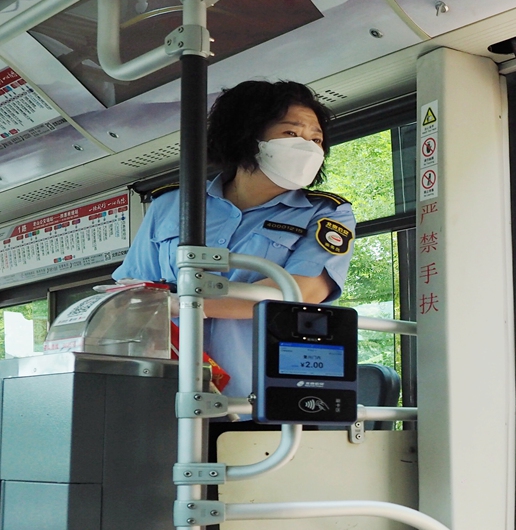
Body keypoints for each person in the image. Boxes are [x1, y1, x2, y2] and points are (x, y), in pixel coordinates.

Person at [114, 80, 355, 398]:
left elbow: (301, 291)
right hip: (169, 392)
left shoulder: (325, 214)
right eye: (291, 133)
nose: (308, 147)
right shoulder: (171, 207)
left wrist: (193, 305)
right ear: (247, 135)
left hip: (261, 398)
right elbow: (132, 292)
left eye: (316, 139)